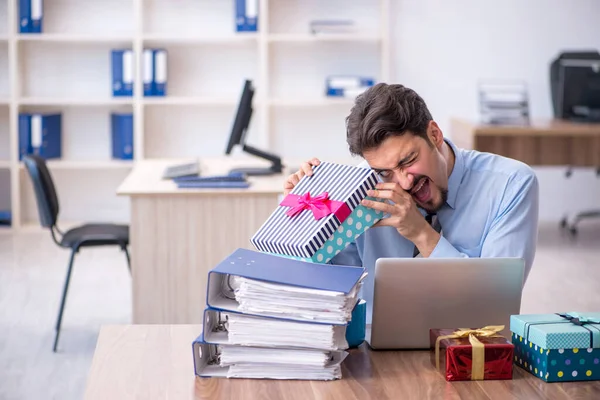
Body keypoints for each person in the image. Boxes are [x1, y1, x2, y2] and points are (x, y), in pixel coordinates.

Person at [283, 83, 539, 321]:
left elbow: (497, 305)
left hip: (467, 351)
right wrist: (306, 223)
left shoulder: (511, 184)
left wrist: (422, 235)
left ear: (434, 135)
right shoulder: (362, 189)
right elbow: (332, 293)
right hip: (373, 351)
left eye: (407, 161)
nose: (403, 183)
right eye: (385, 172)